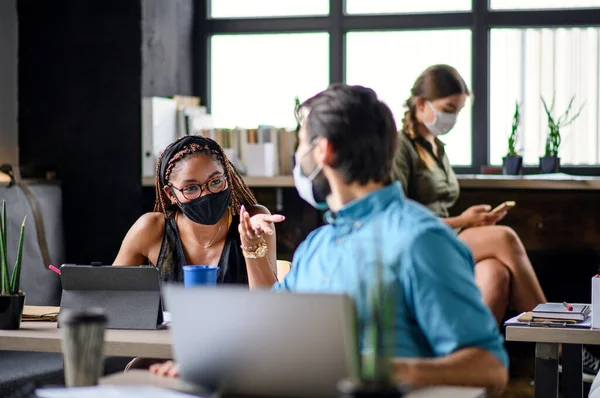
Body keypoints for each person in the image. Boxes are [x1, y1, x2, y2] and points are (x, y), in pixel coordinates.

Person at [149, 84, 509, 391]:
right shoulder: (317, 246)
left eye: (300, 144)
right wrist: (217, 363)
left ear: (322, 151)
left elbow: (490, 367)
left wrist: (391, 370)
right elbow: (276, 329)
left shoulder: (419, 240)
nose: (297, 157)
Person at [391, 64, 600, 381]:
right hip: (421, 241)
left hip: (446, 233)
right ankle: (562, 345)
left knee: (496, 273)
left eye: (458, 111)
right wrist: (464, 220)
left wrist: (476, 221)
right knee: (504, 238)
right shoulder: (400, 146)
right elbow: (399, 213)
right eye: (448, 109)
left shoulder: (436, 147)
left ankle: (464, 363)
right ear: (421, 104)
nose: (453, 119)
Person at [113, 135, 284, 283]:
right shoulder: (152, 229)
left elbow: (268, 306)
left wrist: (252, 243)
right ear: (171, 194)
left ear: (228, 178)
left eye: (216, 182)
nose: (206, 194)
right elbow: (109, 292)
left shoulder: (253, 219)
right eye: (191, 188)